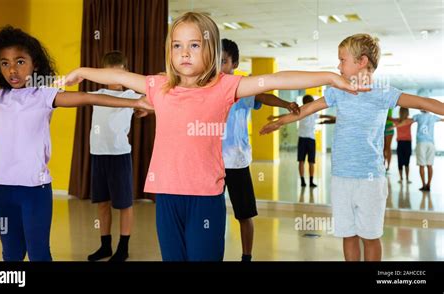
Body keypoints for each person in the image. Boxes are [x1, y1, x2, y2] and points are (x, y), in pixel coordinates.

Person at [62, 12, 362, 261]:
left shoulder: (224, 86)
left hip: (205, 198)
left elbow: (275, 79)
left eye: (194, 45)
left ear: (211, 50)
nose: (184, 53)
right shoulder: (159, 86)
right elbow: (117, 76)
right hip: (167, 196)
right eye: (177, 45)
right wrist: (81, 72)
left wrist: (329, 77)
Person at [0, 26, 152, 261]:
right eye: (4, 63)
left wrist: (135, 102)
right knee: (11, 254)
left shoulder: (44, 95)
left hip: (35, 191)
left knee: (39, 254)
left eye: (20, 61)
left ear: (35, 64)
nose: (12, 70)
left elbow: (88, 97)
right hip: (3, 191)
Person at [261, 33, 444, 261]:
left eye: (342, 60)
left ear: (362, 62)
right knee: (348, 235)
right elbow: (309, 109)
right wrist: (280, 121)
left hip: (371, 180)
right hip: (341, 178)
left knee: (370, 237)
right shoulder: (338, 91)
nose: (338, 66)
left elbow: (423, 102)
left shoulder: (384, 93)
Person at [220, 38, 299, 261]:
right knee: (211, 214)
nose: (219, 66)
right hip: (212, 163)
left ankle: (247, 256)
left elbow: (263, 95)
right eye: (215, 61)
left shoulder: (242, 86)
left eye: (223, 61)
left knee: (244, 215)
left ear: (234, 63)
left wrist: (285, 104)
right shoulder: (208, 86)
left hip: (236, 162)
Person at [87, 51, 144, 262]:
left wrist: (145, 110)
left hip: (119, 156)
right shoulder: (96, 94)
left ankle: (123, 247)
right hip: (98, 155)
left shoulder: (131, 96)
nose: (115, 80)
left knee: (124, 204)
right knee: (102, 203)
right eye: (110, 75)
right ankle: (105, 246)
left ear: (127, 74)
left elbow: (155, 100)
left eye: (119, 74)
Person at [412, 110, 443, 191]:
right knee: (429, 165)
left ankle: (424, 184)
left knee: (421, 165)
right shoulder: (433, 117)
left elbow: (407, 121)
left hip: (421, 143)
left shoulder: (417, 116)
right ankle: (428, 184)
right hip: (430, 143)